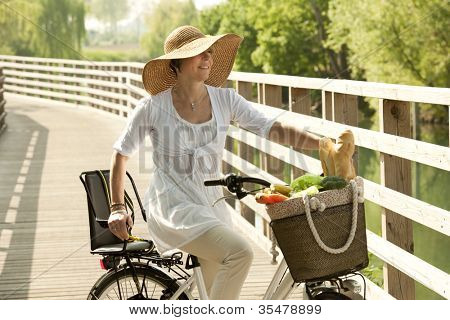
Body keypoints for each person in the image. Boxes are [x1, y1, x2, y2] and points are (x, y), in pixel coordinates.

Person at [108, 25, 320, 300]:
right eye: (199, 53)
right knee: (240, 253)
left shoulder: (225, 99)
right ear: (177, 63)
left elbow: (270, 127)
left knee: (219, 297)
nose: (207, 58)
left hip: (211, 208)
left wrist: (323, 144)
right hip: (173, 207)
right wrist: (116, 208)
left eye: (209, 52)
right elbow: (120, 154)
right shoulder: (153, 107)